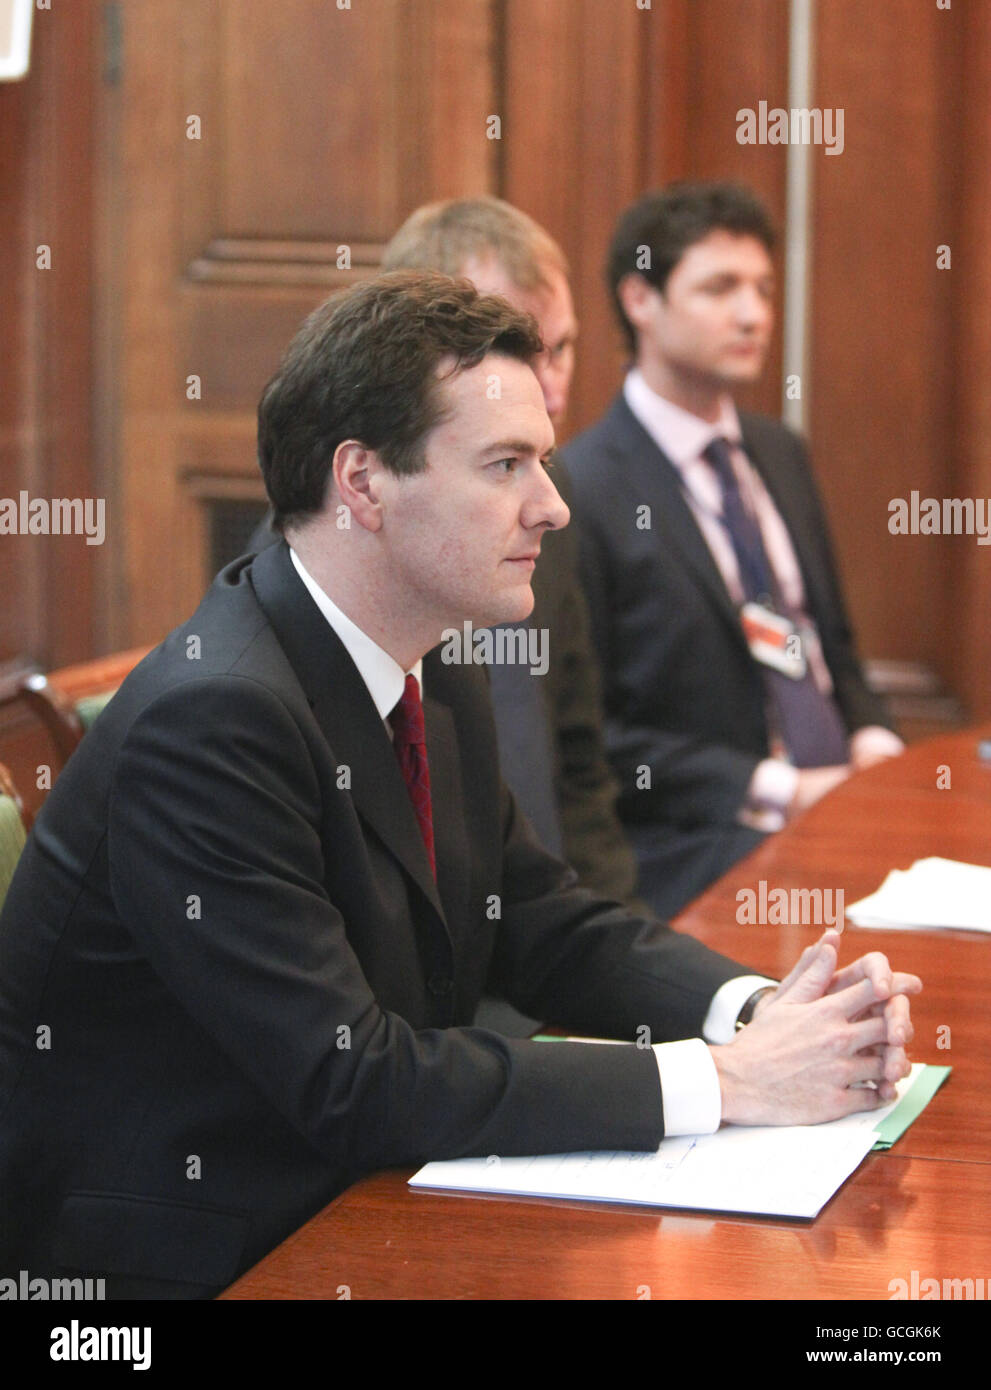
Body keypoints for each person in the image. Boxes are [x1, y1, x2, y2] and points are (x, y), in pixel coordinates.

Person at [0, 273, 918, 1299]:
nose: (554, 503)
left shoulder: (430, 656)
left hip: (363, 1201)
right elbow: (353, 1076)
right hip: (195, 1256)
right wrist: (725, 1084)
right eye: (504, 464)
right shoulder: (215, 719)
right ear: (363, 483)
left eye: (544, 459)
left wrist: (755, 1012)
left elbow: (536, 916)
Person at [255, 196, 641, 918]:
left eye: (558, 348)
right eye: (506, 350)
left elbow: (579, 769)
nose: (547, 383)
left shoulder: (462, 638)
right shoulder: (303, 595)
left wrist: (722, 1004)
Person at [560, 183, 905, 919]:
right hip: (699, 843)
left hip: (846, 805)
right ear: (640, 300)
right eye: (720, 288)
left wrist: (872, 737)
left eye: (762, 288)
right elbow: (590, 734)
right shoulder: (576, 490)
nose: (753, 314)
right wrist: (779, 787)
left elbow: (830, 643)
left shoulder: (778, 452)